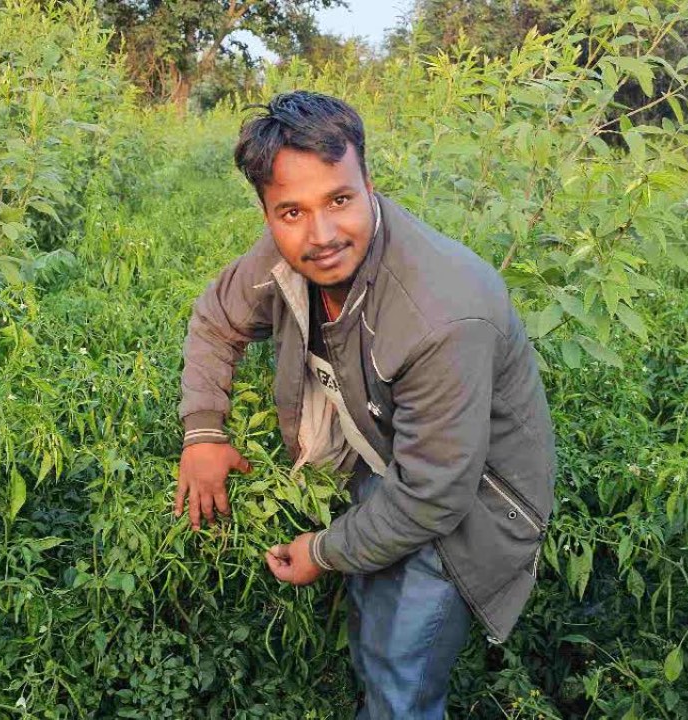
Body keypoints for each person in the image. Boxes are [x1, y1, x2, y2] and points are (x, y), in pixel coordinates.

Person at [173, 90, 556, 719]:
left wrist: (323, 551)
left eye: (340, 200)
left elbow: (434, 494)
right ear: (267, 211)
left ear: (369, 183)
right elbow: (217, 318)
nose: (320, 235)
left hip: (470, 506)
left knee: (401, 671)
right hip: (387, 460)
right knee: (375, 632)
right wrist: (203, 434)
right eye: (291, 211)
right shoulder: (287, 254)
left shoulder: (441, 312)